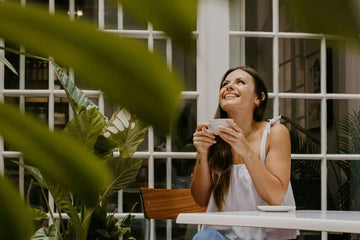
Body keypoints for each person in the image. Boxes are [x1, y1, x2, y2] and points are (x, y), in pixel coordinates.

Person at [191, 66, 298, 240]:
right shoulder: (213, 137)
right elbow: (201, 199)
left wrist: (245, 150)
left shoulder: (274, 133)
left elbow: (276, 197)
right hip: (220, 236)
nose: (229, 86)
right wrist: (202, 154)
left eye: (240, 82)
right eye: (225, 84)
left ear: (259, 98)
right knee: (205, 237)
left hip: (268, 236)